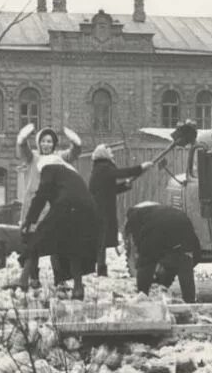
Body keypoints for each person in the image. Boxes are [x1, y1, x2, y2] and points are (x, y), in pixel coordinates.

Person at [20, 155, 99, 299]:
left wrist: (29, 220)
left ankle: (23, 280)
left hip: (66, 205)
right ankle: (78, 287)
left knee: (38, 238)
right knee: (74, 246)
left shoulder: (48, 168)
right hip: (88, 209)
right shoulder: (70, 173)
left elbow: (41, 196)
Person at [15, 123, 82, 288]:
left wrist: (75, 142)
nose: (46, 144)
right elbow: (23, 149)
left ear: (54, 144)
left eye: (49, 141)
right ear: (39, 143)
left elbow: (74, 153)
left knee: (57, 245)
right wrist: (23, 138)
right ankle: (33, 277)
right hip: (35, 207)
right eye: (43, 141)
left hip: (52, 208)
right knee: (33, 243)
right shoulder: (33, 158)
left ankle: (59, 278)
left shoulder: (59, 158)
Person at [89, 145, 152, 276]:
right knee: (101, 240)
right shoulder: (103, 167)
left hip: (101, 208)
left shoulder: (100, 168)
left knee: (102, 239)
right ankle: (100, 270)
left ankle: (101, 268)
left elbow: (109, 189)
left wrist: (124, 186)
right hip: (101, 209)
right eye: (110, 152)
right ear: (104, 154)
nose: (112, 155)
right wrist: (140, 168)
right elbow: (122, 173)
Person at [124, 202, 200, 303]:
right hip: (184, 223)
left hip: (158, 228)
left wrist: (142, 286)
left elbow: (143, 255)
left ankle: (142, 295)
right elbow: (195, 250)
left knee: (147, 262)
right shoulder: (159, 211)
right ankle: (190, 300)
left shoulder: (136, 217)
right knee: (183, 261)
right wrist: (190, 263)